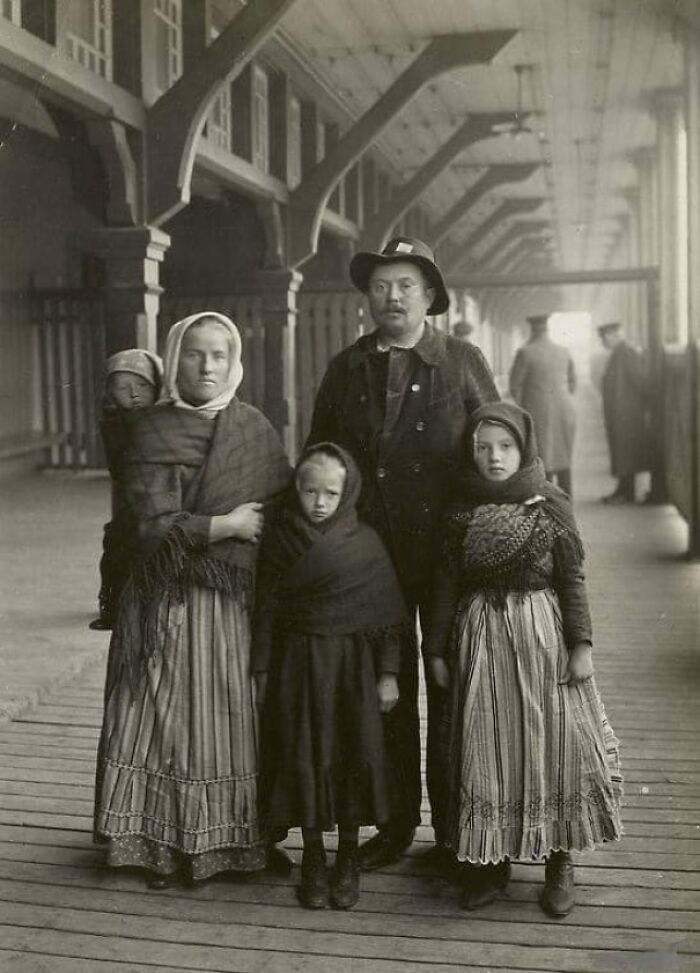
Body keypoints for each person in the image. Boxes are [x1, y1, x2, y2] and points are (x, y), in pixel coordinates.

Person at [307, 236, 499, 871]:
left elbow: (498, 447)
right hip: (371, 559)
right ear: (367, 296)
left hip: (449, 556)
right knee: (381, 690)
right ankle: (390, 825)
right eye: (381, 286)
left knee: (451, 682)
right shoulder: (346, 367)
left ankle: (455, 829)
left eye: (406, 286)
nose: (392, 297)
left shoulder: (462, 361)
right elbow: (321, 458)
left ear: (430, 297)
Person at [93, 311, 291, 888]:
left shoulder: (252, 427)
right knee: (159, 715)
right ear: (173, 358)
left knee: (228, 716)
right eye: (194, 354)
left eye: (219, 355)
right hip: (163, 601)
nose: (207, 366)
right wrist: (224, 526)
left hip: (231, 606)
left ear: (234, 364)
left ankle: (229, 842)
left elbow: (280, 510)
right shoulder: (150, 429)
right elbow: (149, 526)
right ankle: (152, 841)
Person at [424, 402, 622, 916]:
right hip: (482, 641)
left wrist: (580, 645)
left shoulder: (551, 504)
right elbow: (443, 585)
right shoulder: (460, 510)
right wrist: (436, 649)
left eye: (506, 446)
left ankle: (560, 859)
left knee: (553, 744)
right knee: (488, 749)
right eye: (483, 447)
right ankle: (490, 864)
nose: (494, 457)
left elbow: (571, 581)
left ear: (524, 447)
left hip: (541, 639)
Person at [253, 443, 408, 910]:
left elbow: (387, 618)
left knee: (350, 753)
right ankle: (314, 855)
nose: (319, 502)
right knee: (304, 753)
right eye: (309, 491)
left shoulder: (365, 543)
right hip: (299, 668)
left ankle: (348, 855)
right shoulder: (281, 540)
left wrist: (388, 675)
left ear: (348, 491)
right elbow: (266, 608)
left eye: (331, 493)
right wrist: (261, 668)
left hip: (352, 672)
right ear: (296, 489)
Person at [89, 349, 163, 631]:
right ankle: (112, 607)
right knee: (116, 550)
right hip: (129, 501)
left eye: (142, 385)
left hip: (158, 500)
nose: (133, 394)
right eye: (123, 387)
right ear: (110, 392)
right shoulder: (114, 423)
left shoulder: (164, 419)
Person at [509, 313, 577, 497]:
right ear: (548, 329)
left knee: (542, 456)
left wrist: (524, 407)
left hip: (537, 410)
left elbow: (514, 387)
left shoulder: (525, 352)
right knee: (563, 454)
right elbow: (573, 382)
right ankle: (566, 497)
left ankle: (547, 501)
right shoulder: (564, 351)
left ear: (532, 330)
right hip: (565, 409)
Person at [597, 322, 649, 504]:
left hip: (627, 414)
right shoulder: (620, 353)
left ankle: (627, 493)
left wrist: (637, 407)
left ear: (613, 335)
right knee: (622, 452)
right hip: (621, 413)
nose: (602, 342)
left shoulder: (626, 353)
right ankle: (623, 489)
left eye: (604, 338)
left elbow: (640, 382)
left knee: (626, 452)